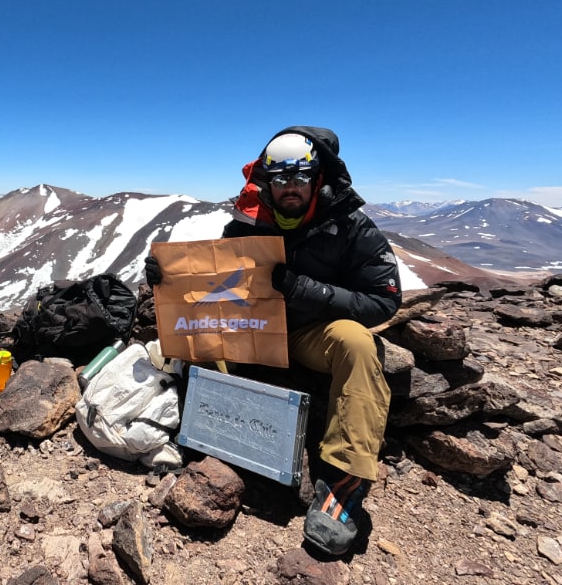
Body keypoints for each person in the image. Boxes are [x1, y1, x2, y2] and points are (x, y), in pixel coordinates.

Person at [145, 125, 401, 557]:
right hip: (254, 329)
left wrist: (308, 291)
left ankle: (344, 484)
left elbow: (384, 300)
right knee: (196, 337)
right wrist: (165, 278)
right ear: (266, 180)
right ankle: (202, 438)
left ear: (318, 177)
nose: (291, 188)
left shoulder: (349, 225)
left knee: (357, 344)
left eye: (300, 177)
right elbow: (214, 278)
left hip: (309, 331)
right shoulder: (248, 220)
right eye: (281, 179)